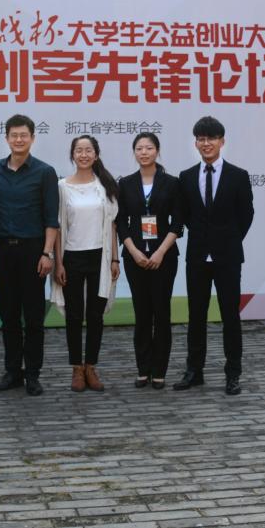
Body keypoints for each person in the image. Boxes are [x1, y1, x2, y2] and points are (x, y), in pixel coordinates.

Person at [174, 116, 254, 396]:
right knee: (196, 315)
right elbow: (185, 215)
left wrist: (227, 241)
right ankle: (194, 371)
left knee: (230, 316)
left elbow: (246, 215)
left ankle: (233, 374)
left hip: (228, 257)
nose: (206, 143)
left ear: (222, 141)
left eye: (211, 138)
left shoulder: (238, 176)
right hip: (197, 256)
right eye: (201, 139)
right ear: (195, 143)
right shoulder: (186, 177)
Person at [0, 114, 59, 397]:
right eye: (13, 135)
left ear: (32, 138)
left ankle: (33, 374)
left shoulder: (45, 172)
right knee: (9, 315)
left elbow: (51, 218)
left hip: (33, 251)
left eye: (23, 135)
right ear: (6, 138)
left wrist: (47, 253)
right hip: (3, 250)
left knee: (34, 316)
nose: (18, 140)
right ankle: (13, 371)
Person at [51, 135, 120, 392]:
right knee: (74, 315)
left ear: (96, 154)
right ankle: (76, 369)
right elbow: (58, 228)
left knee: (95, 316)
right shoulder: (62, 186)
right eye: (78, 150)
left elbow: (112, 226)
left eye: (88, 150)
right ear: (72, 155)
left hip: (100, 257)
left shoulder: (105, 186)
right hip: (71, 257)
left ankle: (91, 366)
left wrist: (115, 258)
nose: (83, 154)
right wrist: (58, 263)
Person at [115, 132, 183, 390]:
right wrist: (133, 251)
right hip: (135, 258)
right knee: (142, 313)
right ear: (134, 152)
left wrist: (160, 252)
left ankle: (160, 371)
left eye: (149, 148)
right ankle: (143, 369)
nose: (144, 152)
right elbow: (121, 222)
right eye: (139, 148)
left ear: (157, 151)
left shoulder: (172, 183)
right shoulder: (125, 183)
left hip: (163, 257)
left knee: (161, 313)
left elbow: (178, 222)